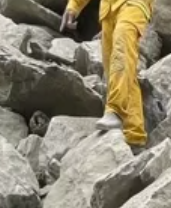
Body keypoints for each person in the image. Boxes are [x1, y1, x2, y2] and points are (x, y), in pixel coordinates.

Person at [62, 0, 149, 148]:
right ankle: (135, 135)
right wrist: (74, 6)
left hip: (133, 5)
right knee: (119, 69)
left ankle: (115, 110)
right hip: (108, 13)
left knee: (121, 55)